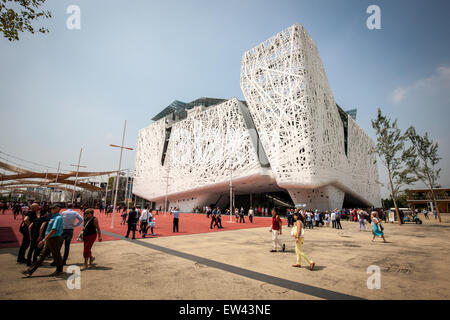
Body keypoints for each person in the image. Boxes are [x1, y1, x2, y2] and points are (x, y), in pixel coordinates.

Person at [22, 204, 64, 277]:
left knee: (56, 254)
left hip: (54, 238)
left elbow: (53, 230)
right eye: (51, 208)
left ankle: (59, 269)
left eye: (54, 208)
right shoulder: (52, 217)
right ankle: (30, 270)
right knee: (43, 255)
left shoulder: (58, 218)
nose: (51, 209)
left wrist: (44, 240)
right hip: (49, 238)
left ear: (58, 209)